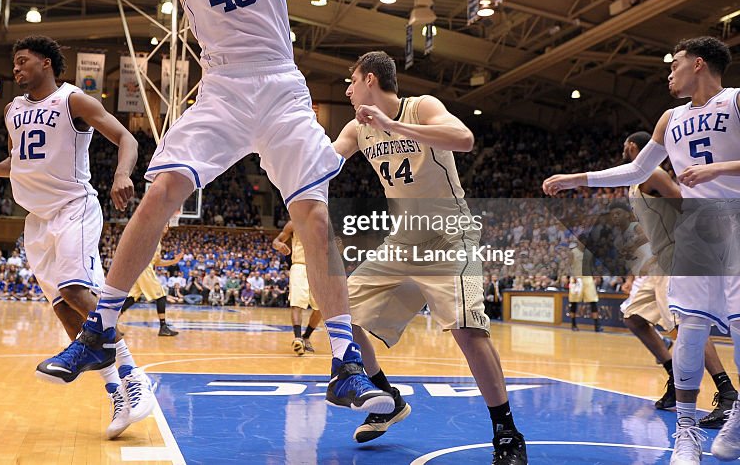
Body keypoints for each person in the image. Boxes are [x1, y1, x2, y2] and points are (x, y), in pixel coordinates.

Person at [39, 0, 390, 414]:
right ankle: (101, 330)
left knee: (313, 214)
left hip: (279, 84)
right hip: (224, 88)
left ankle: (344, 364)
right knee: (162, 188)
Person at [295, 51, 528, 463]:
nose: (347, 89)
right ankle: (386, 396)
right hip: (402, 243)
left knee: (468, 330)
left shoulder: (421, 107)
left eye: (351, 81)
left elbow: (465, 139)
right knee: (343, 313)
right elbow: (326, 162)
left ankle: (506, 432)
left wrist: (392, 125)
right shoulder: (355, 128)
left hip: (451, 236)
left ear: (370, 79)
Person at [543, 36, 740, 463]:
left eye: (676, 65)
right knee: (688, 327)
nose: (669, 74)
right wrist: (578, 178)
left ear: (700, 65)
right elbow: (636, 169)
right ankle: (686, 433)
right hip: (697, 232)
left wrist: (719, 168)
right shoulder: (669, 119)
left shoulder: (737, 101)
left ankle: (738, 412)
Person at [0, 35, 154, 439]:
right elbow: (17, 164)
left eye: (23, 61)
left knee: (74, 289)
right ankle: (117, 393)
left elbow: (128, 138)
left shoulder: (74, 100)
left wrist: (122, 173)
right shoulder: (11, 110)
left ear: (47, 64)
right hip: (36, 221)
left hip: (75, 207)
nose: (16, 69)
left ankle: (136, 377)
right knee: (67, 315)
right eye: (14, 63)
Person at [617, 131, 738, 425]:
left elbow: (682, 199)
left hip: (676, 256)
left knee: (686, 325)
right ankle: (674, 372)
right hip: (657, 260)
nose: (622, 149)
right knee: (633, 317)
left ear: (632, 146)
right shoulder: (638, 176)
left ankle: (727, 393)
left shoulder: (654, 172)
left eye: (624, 145)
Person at [122, 223, 183, 336]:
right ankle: (163, 327)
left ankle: (109, 325)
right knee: (161, 295)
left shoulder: (157, 242)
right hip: (144, 269)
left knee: (131, 298)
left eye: (167, 226)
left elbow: (157, 262)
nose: (166, 227)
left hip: (138, 270)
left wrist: (174, 261)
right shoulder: (151, 238)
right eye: (165, 224)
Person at [272, 224, 323, 356]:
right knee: (296, 303)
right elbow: (276, 241)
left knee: (321, 308)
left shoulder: (325, 222)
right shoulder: (294, 222)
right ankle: (298, 338)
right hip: (299, 266)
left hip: (318, 268)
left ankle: (306, 337)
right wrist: (279, 245)